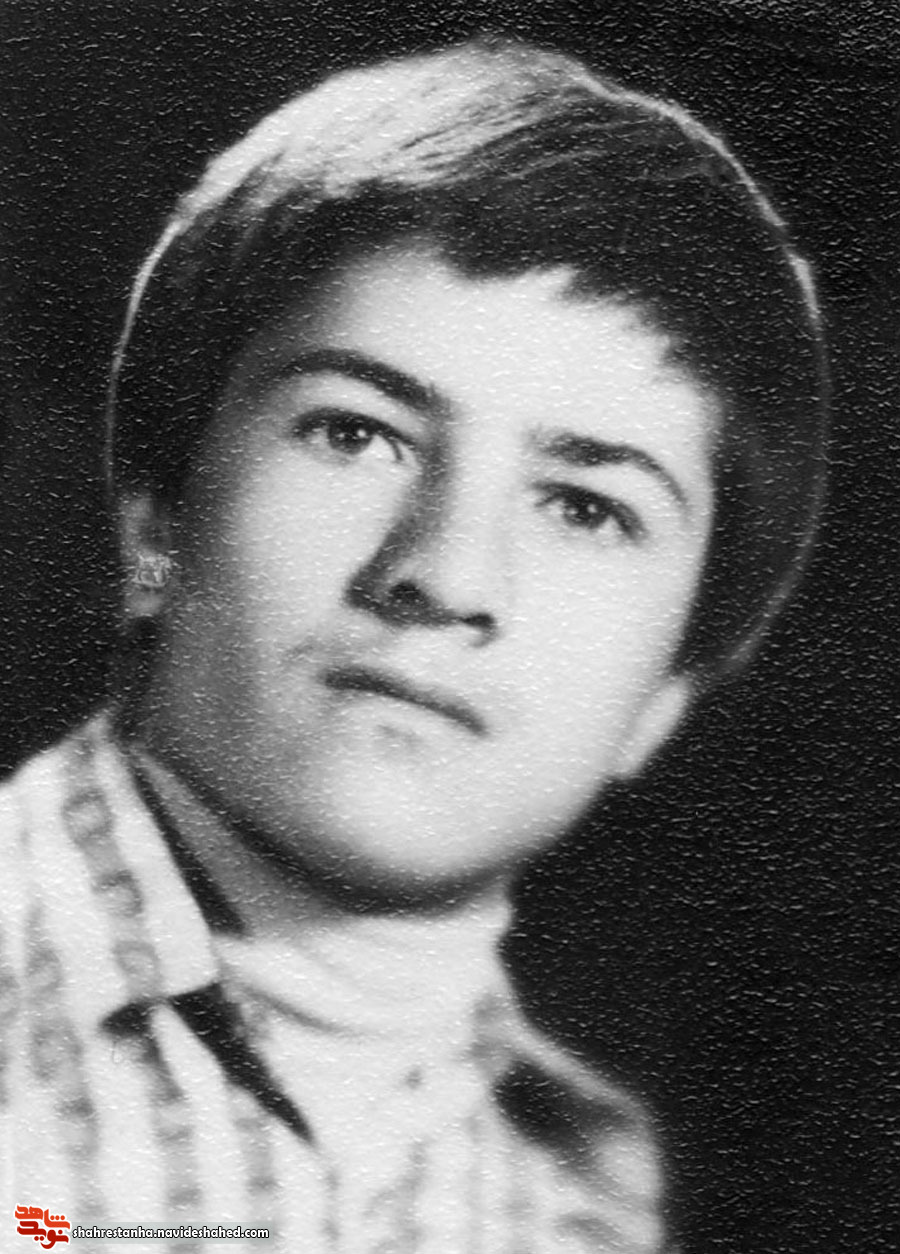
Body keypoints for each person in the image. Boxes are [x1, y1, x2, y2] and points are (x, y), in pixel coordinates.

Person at [0, 36, 827, 1254]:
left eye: (586, 507)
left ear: (666, 693)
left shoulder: (580, 1197)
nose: (444, 576)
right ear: (157, 521)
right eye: (356, 433)